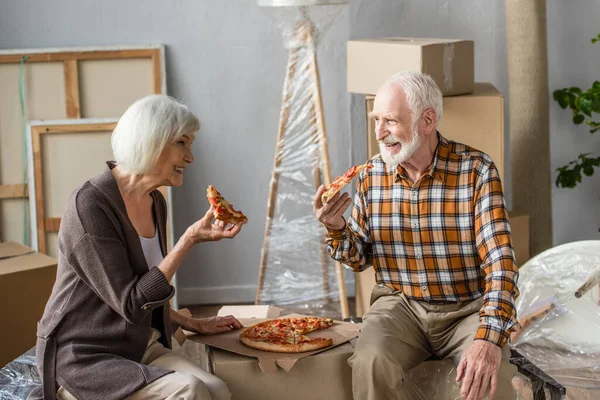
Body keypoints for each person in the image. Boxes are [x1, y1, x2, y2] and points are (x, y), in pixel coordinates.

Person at [313, 71, 519, 400]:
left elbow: (501, 266)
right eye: (376, 119)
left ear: (427, 120)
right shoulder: (370, 175)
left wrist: (489, 338)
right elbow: (359, 258)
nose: (379, 132)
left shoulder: (476, 170)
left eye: (390, 121)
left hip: (466, 308)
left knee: (493, 380)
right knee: (369, 361)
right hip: (400, 306)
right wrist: (336, 228)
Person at [30, 95, 246, 400]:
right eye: (182, 143)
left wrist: (192, 323)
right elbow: (131, 303)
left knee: (218, 390)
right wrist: (188, 241)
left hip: (135, 345)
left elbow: (144, 293)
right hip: (85, 357)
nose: (191, 157)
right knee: (190, 391)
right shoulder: (90, 206)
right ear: (152, 141)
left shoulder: (155, 201)